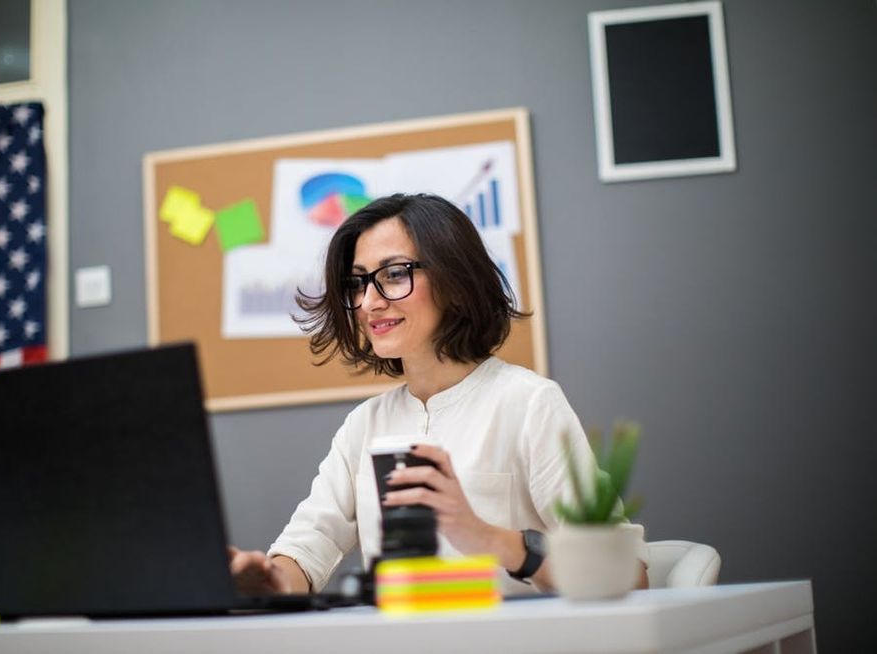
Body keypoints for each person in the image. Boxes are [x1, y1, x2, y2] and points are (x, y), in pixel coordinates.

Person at [229, 193, 647, 595]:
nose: (369, 302)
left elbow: (629, 578)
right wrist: (267, 581)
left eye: (394, 274)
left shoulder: (529, 403)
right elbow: (306, 551)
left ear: (454, 282)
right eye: (358, 283)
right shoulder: (364, 425)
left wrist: (488, 538)